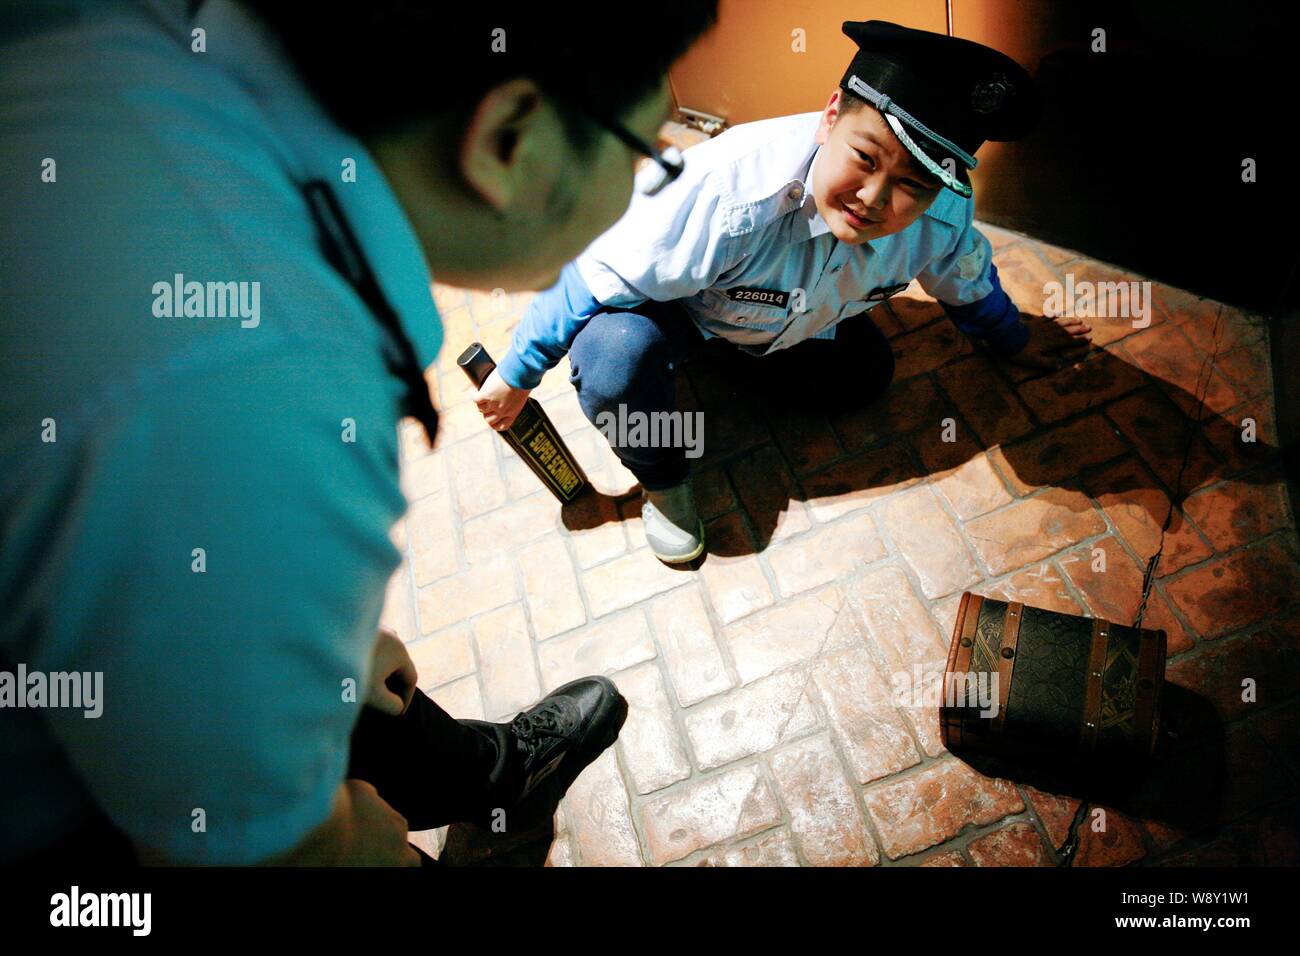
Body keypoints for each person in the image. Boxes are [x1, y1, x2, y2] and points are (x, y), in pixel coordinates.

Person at [0, 0, 717, 865]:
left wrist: (310, 636)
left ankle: (492, 776)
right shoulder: (260, 390)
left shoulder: (136, 49)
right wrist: (345, 846)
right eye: (649, 152)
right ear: (508, 144)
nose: (656, 179)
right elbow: (239, 850)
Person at [474, 20, 1093, 564]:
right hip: (685, 315)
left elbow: (965, 279)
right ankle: (664, 479)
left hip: (798, 327)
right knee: (614, 358)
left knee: (866, 377)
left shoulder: (942, 216)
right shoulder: (724, 186)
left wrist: (1011, 338)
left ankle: (734, 374)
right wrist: (519, 371)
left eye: (912, 185)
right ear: (830, 118)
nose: (874, 199)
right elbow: (594, 270)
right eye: (865, 157)